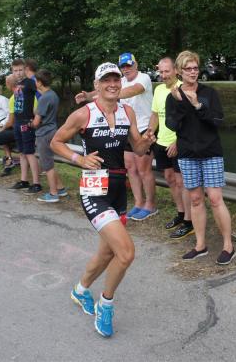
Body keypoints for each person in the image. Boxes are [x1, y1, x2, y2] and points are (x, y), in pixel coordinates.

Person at [51, 62, 155, 337]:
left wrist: (147, 141)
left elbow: (138, 149)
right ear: (96, 85)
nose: (112, 84)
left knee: (107, 252)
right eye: (106, 80)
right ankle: (105, 304)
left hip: (118, 189)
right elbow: (55, 142)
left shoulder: (127, 111)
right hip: (94, 189)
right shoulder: (83, 114)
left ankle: (80, 289)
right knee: (126, 253)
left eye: (116, 80)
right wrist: (79, 159)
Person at [165, 50, 235, 265]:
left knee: (214, 198)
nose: (193, 72)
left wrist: (198, 106)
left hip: (210, 152)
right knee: (195, 199)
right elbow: (171, 125)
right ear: (179, 71)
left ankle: (228, 246)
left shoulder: (209, 93)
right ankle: (200, 245)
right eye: (188, 69)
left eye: (195, 68)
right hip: (187, 154)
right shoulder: (173, 96)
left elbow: (218, 121)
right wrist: (181, 103)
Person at [76, 53, 157, 221]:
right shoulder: (118, 84)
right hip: (122, 127)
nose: (126, 68)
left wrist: (110, 93)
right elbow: (105, 86)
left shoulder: (143, 78)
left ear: (136, 64)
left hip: (143, 127)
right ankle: (138, 202)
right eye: (123, 66)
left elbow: (132, 90)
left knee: (143, 169)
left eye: (129, 65)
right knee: (130, 167)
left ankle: (150, 205)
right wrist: (89, 95)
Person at [149, 56, 193, 239]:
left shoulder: (184, 89)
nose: (164, 75)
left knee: (182, 182)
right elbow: (155, 115)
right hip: (161, 142)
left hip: (178, 143)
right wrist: (150, 132)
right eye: (161, 71)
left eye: (167, 71)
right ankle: (181, 214)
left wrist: (177, 142)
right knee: (169, 179)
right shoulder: (159, 89)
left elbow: (190, 122)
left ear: (175, 70)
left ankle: (189, 222)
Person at [32, 69, 67, 203]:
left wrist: (29, 123)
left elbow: (36, 122)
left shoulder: (44, 98)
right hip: (53, 130)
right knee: (49, 162)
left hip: (44, 134)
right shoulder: (53, 95)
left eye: (36, 81)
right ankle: (60, 188)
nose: (35, 83)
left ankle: (53, 194)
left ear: (40, 82)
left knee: (47, 165)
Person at [9, 59, 41, 194]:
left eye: (20, 70)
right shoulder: (17, 84)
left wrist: (37, 117)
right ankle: (24, 180)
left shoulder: (30, 82)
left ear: (25, 69)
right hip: (17, 121)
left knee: (29, 153)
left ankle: (36, 183)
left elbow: (43, 95)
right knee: (22, 152)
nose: (18, 73)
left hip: (27, 122)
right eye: (15, 70)